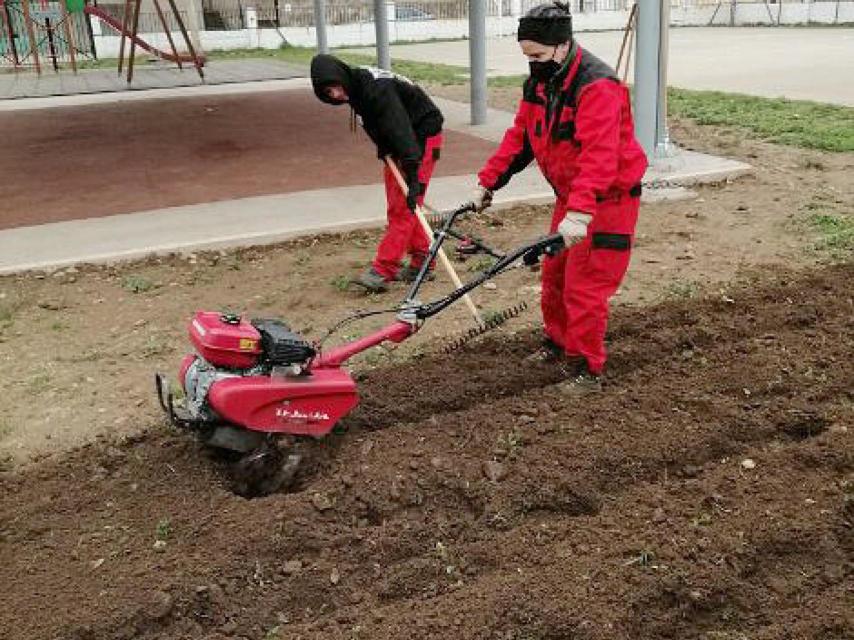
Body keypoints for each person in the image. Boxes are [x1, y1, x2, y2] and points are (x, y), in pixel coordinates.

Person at [472, 1, 648, 393]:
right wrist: (488, 182)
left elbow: (600, 156)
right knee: (554, 276)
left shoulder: (597, 85)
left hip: (607, 201)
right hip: (573, 198)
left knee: (585, 286)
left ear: (562, 45)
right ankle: (558, 342)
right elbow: (522, 136)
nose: (532, 63)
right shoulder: (539, 81)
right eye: (526, 56)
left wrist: (581, 213)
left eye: (536, 54)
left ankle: (587, 369)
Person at [310, 54, 444, 293]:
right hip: (400, 145)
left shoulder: (376, 90)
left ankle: (383, 270)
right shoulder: (355, 86)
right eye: (329, 94)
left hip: (420, 139)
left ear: (341, 77)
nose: (337, 96)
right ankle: (423, 260)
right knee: (401, 206)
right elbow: (377, 123)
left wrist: (413, 175)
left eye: (336, 88)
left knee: (405, 206)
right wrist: (385, 149)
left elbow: (399, 127)